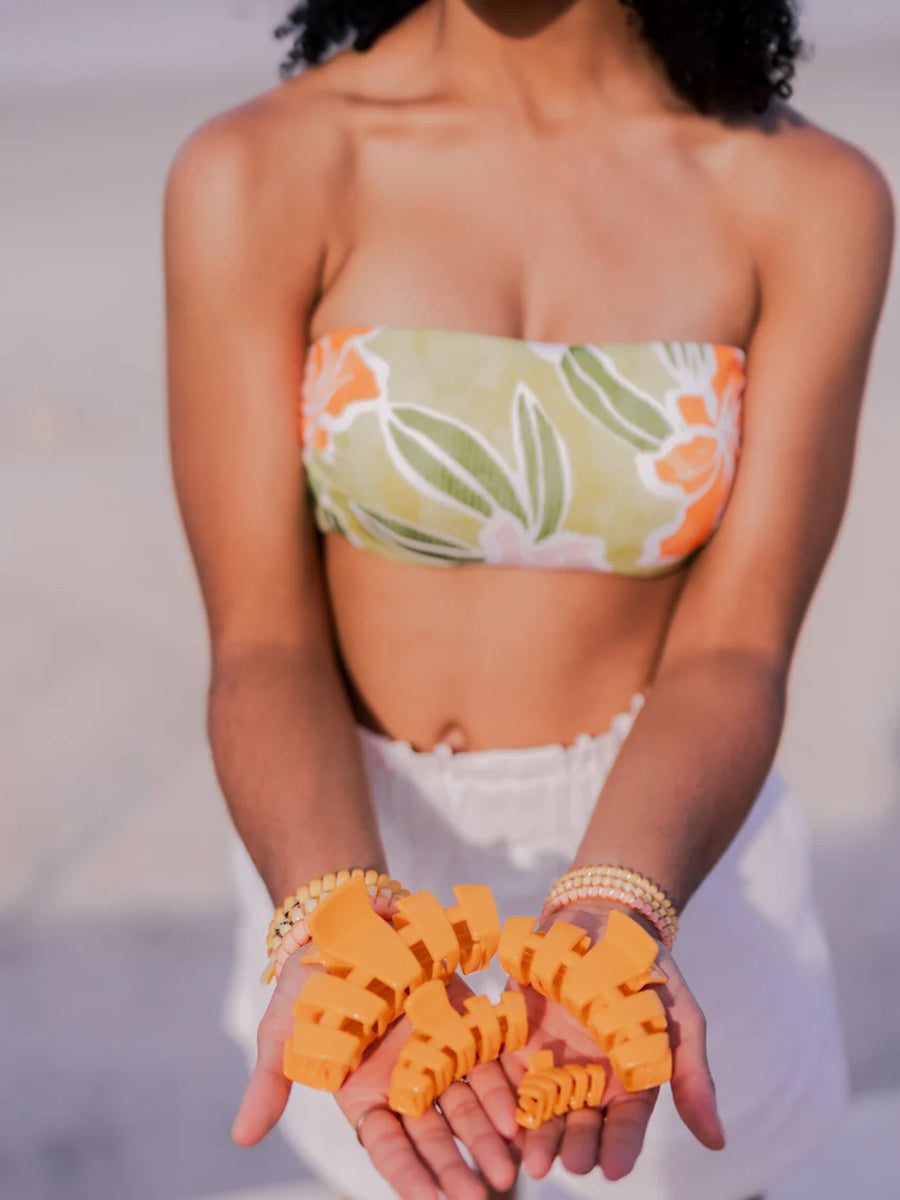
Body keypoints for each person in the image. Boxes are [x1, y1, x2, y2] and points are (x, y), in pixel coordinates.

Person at [163, 2, 894, 1198]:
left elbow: (738, 647)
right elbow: (261, 639)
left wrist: (622, 910)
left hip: (671, 864)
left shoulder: (805, 196)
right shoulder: (262, 169)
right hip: (344, 855)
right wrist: (342, 913)